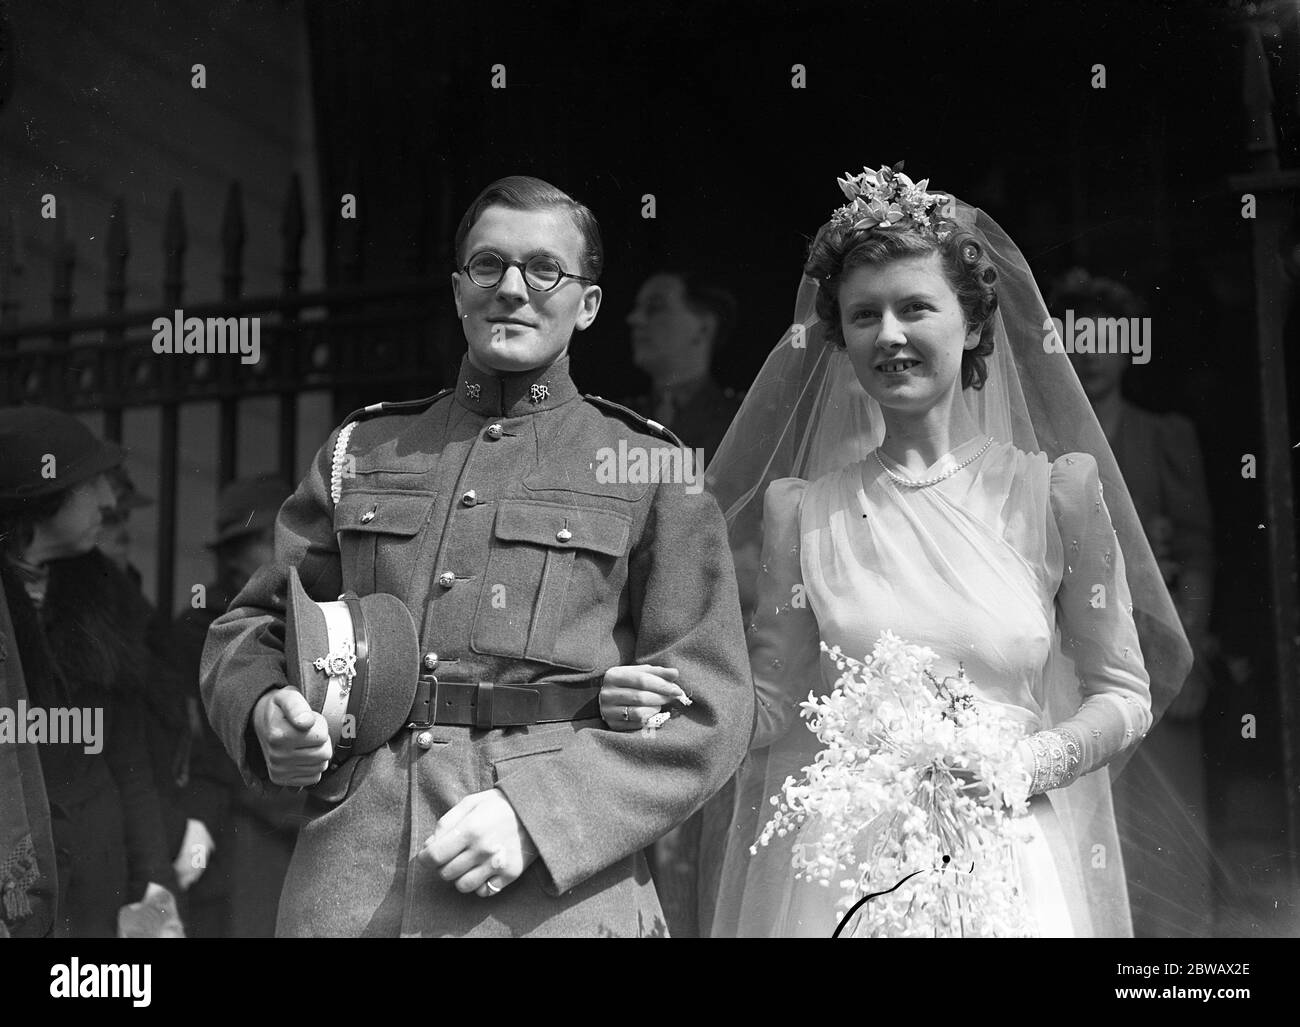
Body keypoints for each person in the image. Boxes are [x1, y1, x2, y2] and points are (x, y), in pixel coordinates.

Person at [606, 165, 1192, 937]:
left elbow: (1123, 693)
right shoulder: (801, 511)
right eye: (862, 316)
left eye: (915, 307)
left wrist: (1024, 767)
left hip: (1005, 858)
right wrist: (670, 702)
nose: (889, 335)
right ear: (841, 339)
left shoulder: (1059, 494)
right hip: (845, 874)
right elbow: (776, 705)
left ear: (975, 324)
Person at [200, 175, 754, 937]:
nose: (512, 289)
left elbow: (709, 702)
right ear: (459, 289)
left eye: (544, 269)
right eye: (488, 266)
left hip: (547, 894)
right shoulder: (363, 449)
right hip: (351, 883)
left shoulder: (648, 467)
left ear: (588, 304)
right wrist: (268, 709)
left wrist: (541, 817)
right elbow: (252, 627)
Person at [1052, 268, 1216, 937]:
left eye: (1104, 336)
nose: (1088, 351)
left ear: (1128, 347)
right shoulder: (1039, 445)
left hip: (1154, 658)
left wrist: (1187, 636)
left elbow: (1200, 549)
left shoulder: (1164, 434)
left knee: (1168, 831)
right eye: (1072, 338)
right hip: (1067, 666)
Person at [0, 406, 181, 937]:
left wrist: (156, 887)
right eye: (92, 484)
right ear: (44, 497)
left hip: (100, 883)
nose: (108, 499)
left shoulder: (108, 594)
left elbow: (130, 761)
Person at [169, 474, 302, 937]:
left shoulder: (309, 615)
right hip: (236, 823)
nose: (283, 548)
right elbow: (198, 744)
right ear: (234, 551)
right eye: (269, 538)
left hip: (295, 818)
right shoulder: (197, 628)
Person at [624, 271, 743, 464]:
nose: (635, 319)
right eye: (638, 308)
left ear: (704, 327)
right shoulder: (620, 416)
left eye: (655, 307)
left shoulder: (740, 422)